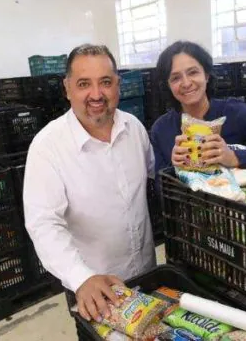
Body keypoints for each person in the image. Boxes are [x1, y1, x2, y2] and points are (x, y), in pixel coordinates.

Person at [23, 44, 156, 323]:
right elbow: (43, 223)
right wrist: (81, 278)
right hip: (94, 288)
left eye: (105, 82)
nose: (96, 95)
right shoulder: (48, 146)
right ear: (67, 88)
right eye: (84, 84)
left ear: (118, 85)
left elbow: (150, 181)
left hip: (147, 272)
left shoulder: (135, 130)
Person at [150, 41, 246, 177]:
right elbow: (160, 188)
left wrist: (234, 157)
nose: (186, 83)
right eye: (175, 78)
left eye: (193, 72)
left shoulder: (234, 112)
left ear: (207, 75)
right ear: (168, 85)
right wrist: (174, 169)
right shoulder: (162, 129)